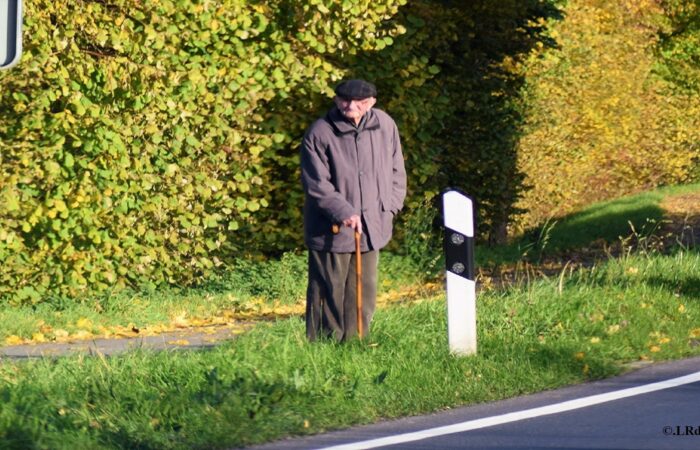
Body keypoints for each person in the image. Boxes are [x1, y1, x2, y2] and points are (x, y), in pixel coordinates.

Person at [300, 79, 407, 342]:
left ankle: (356, 343)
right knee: (330, 289)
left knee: (364, 289)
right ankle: (326, 346)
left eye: (359, 102)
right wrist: (344, 212)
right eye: (345, 100)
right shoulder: (320, 132)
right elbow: (316, 183)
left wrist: (390, 206)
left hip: (373, 223)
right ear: (336, 100)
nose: (351, 106)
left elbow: (396, 169)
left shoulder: (385, 124)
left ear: (371, 102)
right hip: (331, 228)